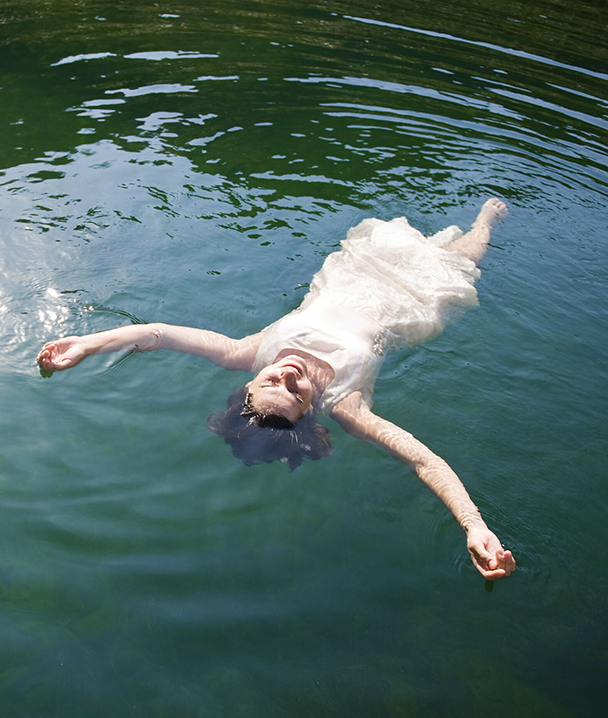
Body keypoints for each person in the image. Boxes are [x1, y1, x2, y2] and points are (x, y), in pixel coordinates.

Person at [37, 198, 516, 580]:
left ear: (249, 382)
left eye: (272, 380)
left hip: (363, 268)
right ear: (311, 408)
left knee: (409, 238)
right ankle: (486, 221)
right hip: (412, 302)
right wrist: (475, 526)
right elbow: (422, 460)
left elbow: (158, 334)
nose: (286, 371)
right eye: (296, 389)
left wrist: (87, 344)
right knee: (464, 255)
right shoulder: (348, 405)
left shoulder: (250, 351)